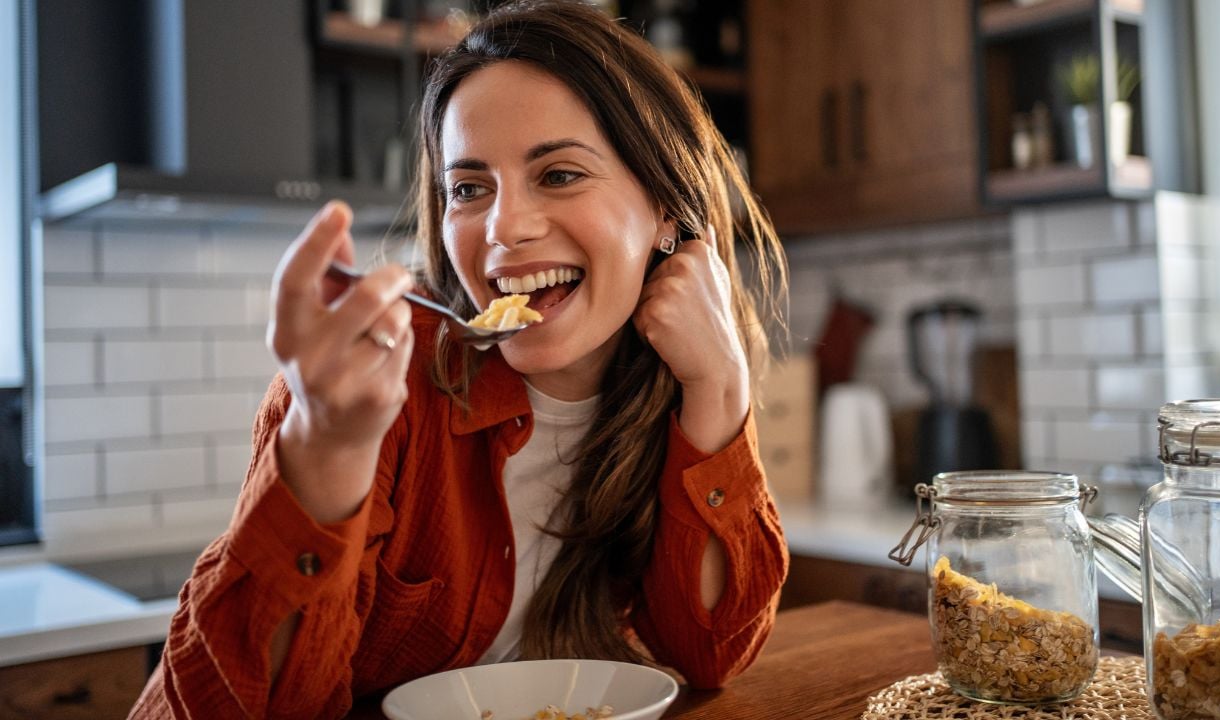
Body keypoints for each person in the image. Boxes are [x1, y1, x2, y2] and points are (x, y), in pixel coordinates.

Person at [130, 0, 789, 717]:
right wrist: (328, 446)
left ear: (665, 206)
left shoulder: (671, 391)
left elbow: (711, 656)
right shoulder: (380, 381)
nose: (504, 228)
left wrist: (720, 386)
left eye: (560, 174)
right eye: (469, 189)